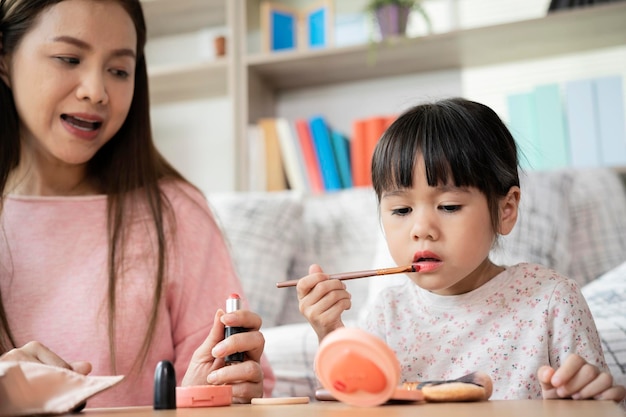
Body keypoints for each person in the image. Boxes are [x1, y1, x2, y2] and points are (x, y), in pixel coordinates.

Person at [0, 0, 274, 407]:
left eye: (119, 70)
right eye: (68, 58)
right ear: (4, 59)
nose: (96, 91)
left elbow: (245, 388)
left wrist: (214, 390)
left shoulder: (176, 212)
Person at [296, 98, 626, 402]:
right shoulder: (387, 311)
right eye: (401, 211)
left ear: (506, 210)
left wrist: (583, 399)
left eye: (449, 206)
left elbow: (594, 399)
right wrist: (330, 334)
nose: (421, 229)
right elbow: (358, 398)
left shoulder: (552, 301)